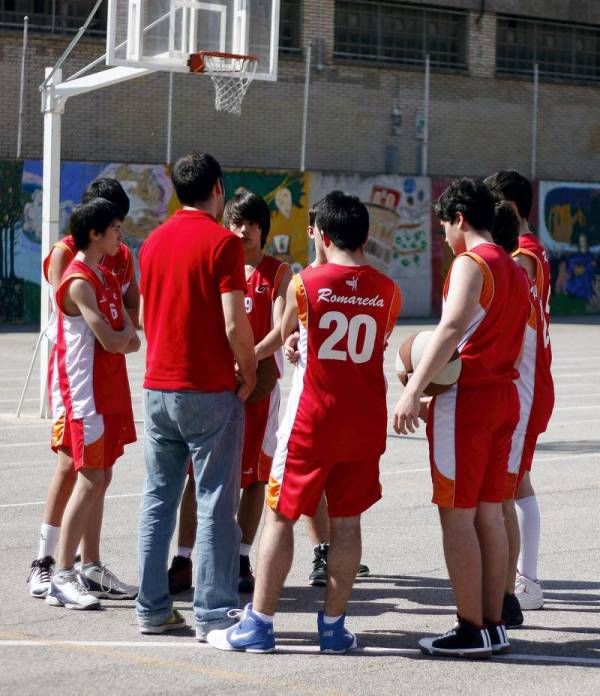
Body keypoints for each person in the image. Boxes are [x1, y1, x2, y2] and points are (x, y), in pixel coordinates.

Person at [207, 191, 402, 654]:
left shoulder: (305, 283)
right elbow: (361, 343)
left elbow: (285, 334)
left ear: (324, 233)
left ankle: (259, 624)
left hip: (313, 421)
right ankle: (334, 628)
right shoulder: (389, 290)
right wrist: (303, 345)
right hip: (364, 421)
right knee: (348, 524)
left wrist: (269, 353)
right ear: (366, 235)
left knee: (280, 517)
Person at [393, 178, 529, 658]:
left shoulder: (473, 263)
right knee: (491, 515)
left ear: (458, 219)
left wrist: (412, 389)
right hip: (503, 398)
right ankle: (493, 623)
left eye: (444, 228)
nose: (444, 239)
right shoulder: (516, 270)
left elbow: (451, 328)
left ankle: (471, 626)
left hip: (468, 402)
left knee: (458, 517)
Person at [136, 152, 256, 639]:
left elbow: (145, 317)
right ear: (219, 188)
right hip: (207, 388)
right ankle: (214, 612)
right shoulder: (223, 243)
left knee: (157, 500)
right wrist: (247, 370)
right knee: (214, 501)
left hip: (157, 387)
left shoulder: (151, 242)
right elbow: (234, 320)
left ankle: (151, 607)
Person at [167, 192, 292, 595]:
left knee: (254, 477)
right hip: (215, 383)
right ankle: (184, 558)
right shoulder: (217, 262)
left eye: (252, 222)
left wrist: (249, 360)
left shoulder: (277, 272)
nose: (244, 229)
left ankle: (240, 557)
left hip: (259, 387)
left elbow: (280, 330)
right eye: (237, 221)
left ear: (263, 228)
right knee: (196, 473)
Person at [28, 178, 139, 600]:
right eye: (116, 224)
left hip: (107, 386)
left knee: (101, 474)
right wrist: (122, 332)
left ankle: (88, 566)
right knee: (76, 470)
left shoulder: (111, 266)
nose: (122, 232)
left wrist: (124, 331)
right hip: (79, 387)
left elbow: (131, 328)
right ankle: (53, 567)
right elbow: (114, 336)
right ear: (96, 225)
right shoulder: (72, 266)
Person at [284, 207, 370, 587]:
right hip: (327, 406)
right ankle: (323, 551)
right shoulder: (303, 280)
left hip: (334, 408)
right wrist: (288, 342)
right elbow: (287, 331)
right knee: (309, 494)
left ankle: (265, 615)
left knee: (336, 503)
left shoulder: (323, 282)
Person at [485, 171, 555, 613]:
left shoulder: (523, 256)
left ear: (509, 206)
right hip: (530, 379)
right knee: (516, 480)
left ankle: (526, 581)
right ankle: (523, 578)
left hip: (527, 382)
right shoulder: (528, 251)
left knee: (513, 483)